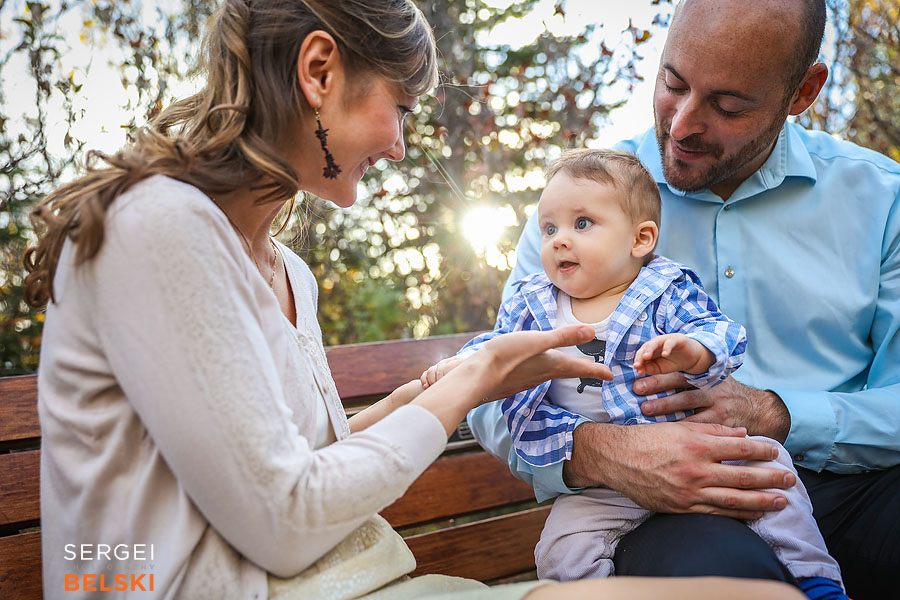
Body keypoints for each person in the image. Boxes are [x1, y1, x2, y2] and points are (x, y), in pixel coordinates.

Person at [20, 1, 810, 599]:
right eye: (397, 106)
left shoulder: (287, 270)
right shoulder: (161, 227)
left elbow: (297, 465)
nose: (401, 142)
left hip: (354, 580)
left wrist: (441, 389)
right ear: (319, 71)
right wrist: (470, 381)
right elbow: (287, 521)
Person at [468, 0, 900, 598]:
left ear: (803, 92)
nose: (682, 124)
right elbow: (494, 393)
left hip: (862, 486)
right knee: (722, 577)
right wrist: (607, 453)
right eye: (672, 83)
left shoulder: (881, 199)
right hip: (669, 506)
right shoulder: (581, 204)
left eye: (727, 105)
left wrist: (782, 414)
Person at [423, 149, 846, 599]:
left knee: (776, 483)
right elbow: (496, 349)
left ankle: (817, 581)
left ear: (640, 239)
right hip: (605, 482)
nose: (559, 240)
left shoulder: (665, 289)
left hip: (699, 452)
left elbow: (721, 332)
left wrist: (694, 351)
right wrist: (459, 365)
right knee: (559, 549)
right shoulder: (533, 302)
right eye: (550, 228)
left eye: (581, 223)